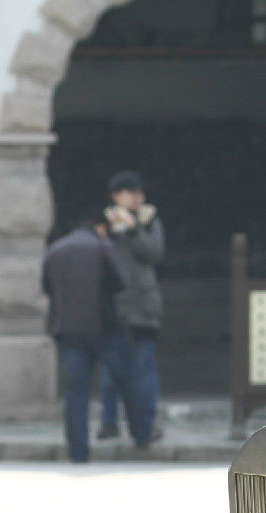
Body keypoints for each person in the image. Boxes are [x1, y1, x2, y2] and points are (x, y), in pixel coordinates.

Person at [42, 208, 154, 462]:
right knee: (128, 380)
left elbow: (47, 287)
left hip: (68, 330)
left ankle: (78, 451)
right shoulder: (103, 247)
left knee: (75, 392)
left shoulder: (56, 250)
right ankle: (141, 434)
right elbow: (119, 283)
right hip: (105, 328)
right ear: (99, 227)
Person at [97, 170, 164, 441]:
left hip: (144, 307)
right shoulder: (104, 223)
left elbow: (154, 252)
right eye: (131, 192)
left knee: (144, 368)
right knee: (110, 368)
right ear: (116, 196)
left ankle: (147, 423)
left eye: (140, 193)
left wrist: (136, 229)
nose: (138, 198)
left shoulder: (148, 222)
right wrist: (114, 229)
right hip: (113, 306)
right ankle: (109, 421)